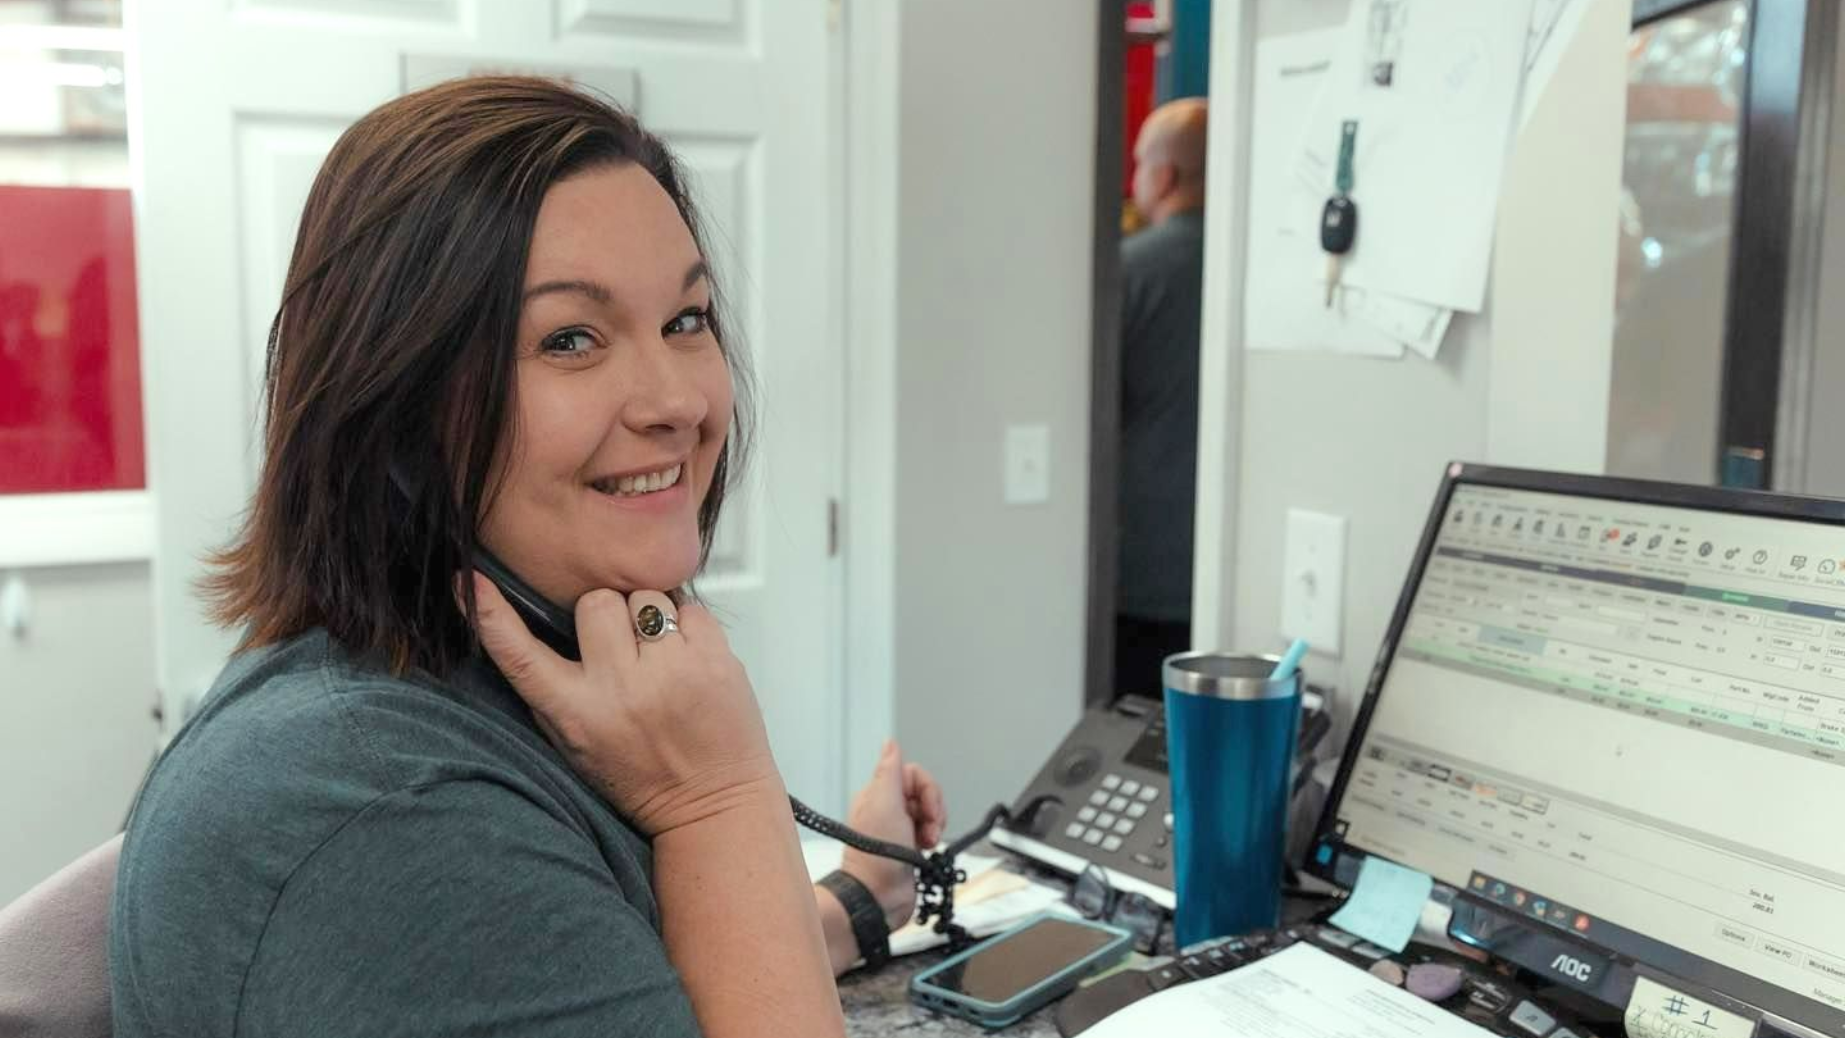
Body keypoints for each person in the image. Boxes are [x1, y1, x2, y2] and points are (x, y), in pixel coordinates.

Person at [108, 76, 945, 1038]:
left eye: (685, 320)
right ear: (396, 404)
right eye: (571, 339)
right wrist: (717, 796)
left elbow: (600, 970)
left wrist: (859, 897)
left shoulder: (468, 697)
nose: (677, 401)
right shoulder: (389, 817)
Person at [1116, 97, 1208, 696]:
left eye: (1139, 164)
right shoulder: (1247, 266)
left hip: (1141, 569)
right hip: (1214, 572)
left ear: (1165, 175)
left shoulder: (1127, 270)